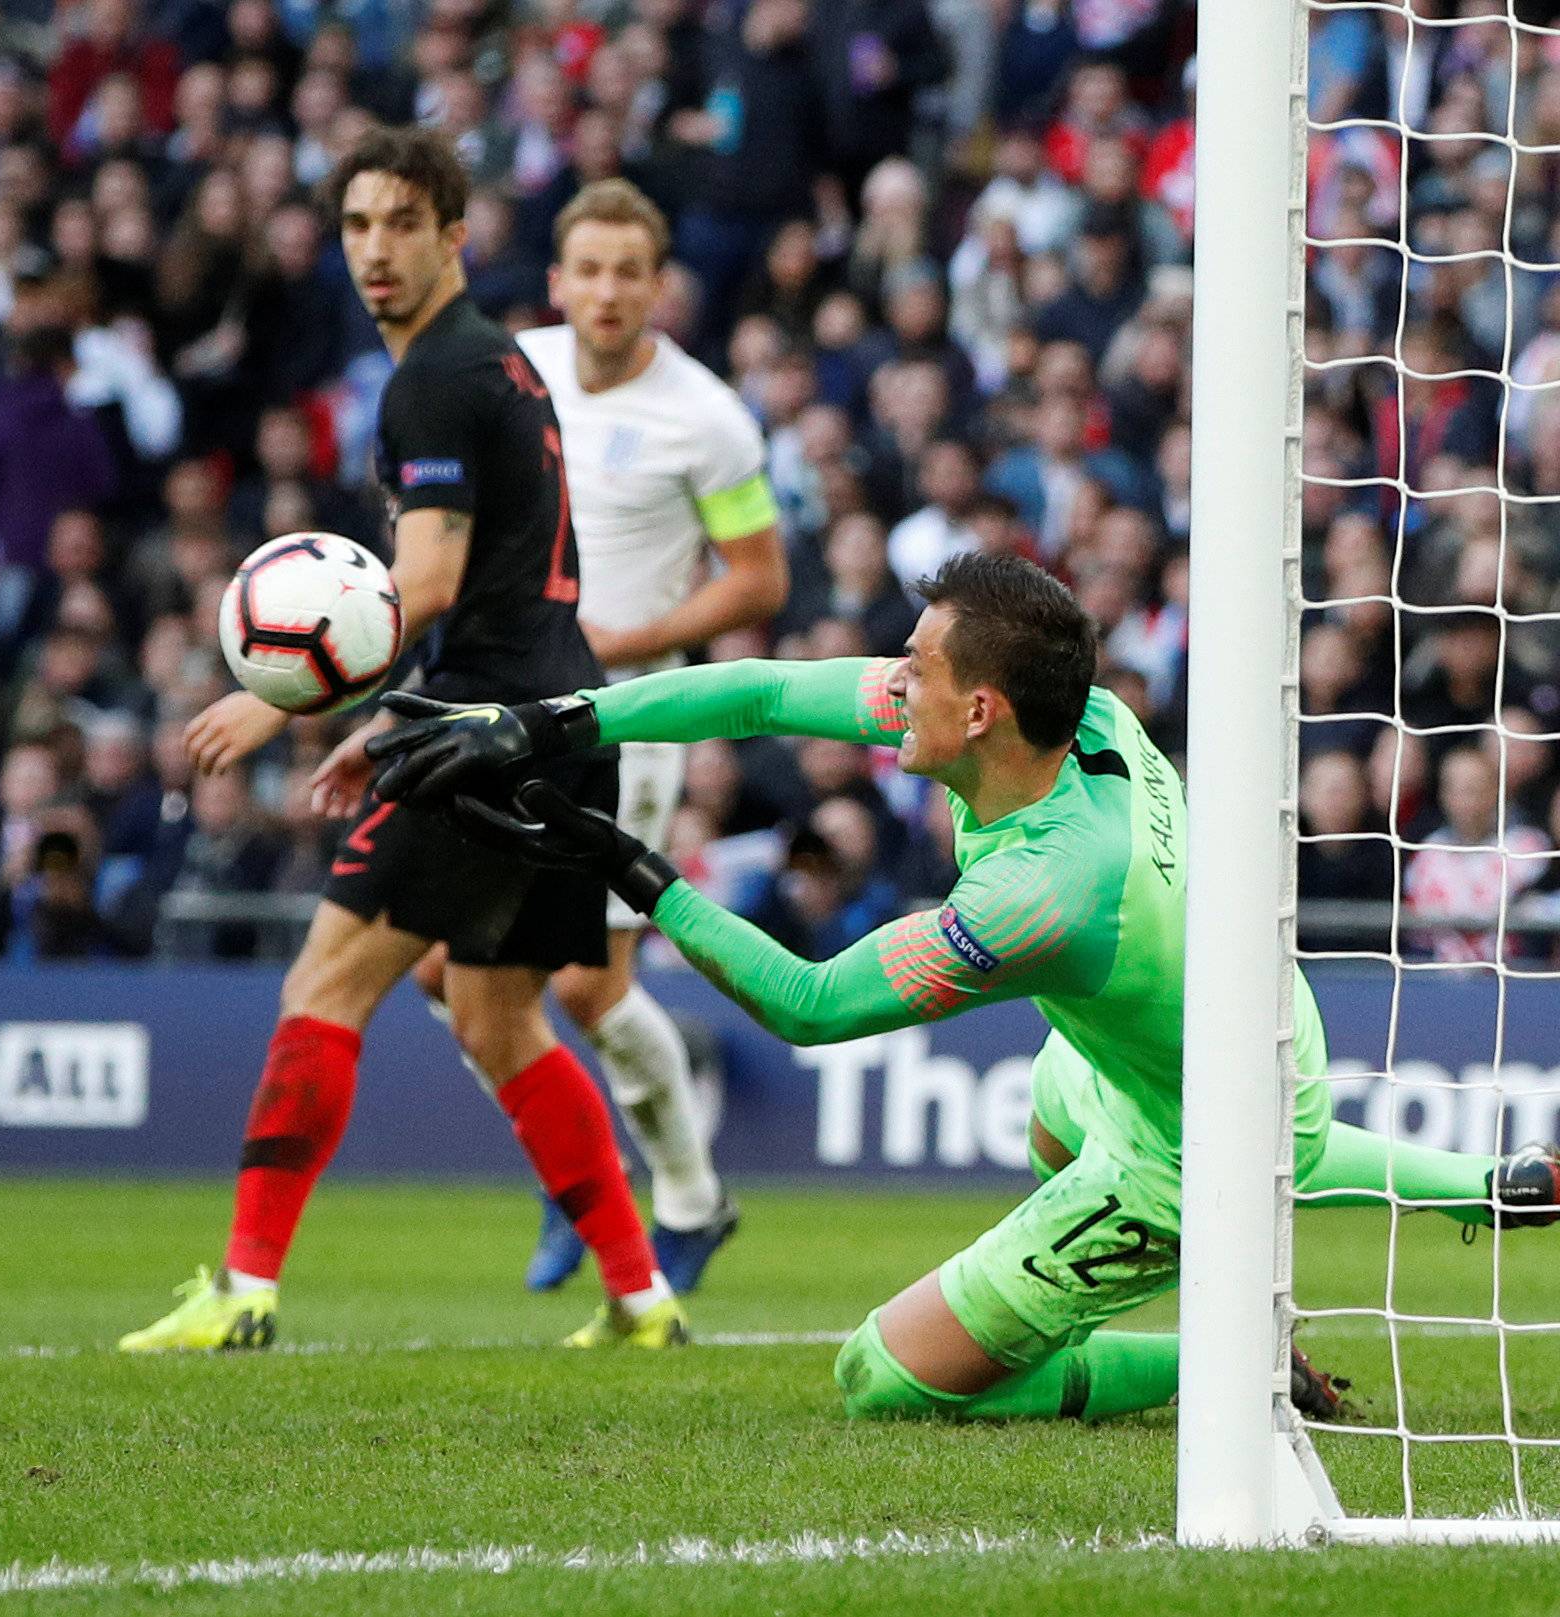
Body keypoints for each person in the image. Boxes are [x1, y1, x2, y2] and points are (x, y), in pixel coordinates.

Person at [367, 552, 1560, 1424]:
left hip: (1190, 1132)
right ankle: (1477, 1187)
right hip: (1215, 1025)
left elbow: (814, 1005)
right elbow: (763, 693)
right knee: (1073, 1100)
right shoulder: (1068, 712)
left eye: (917, 666)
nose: (893, 682)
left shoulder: (1040, 896)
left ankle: (1230, 1356)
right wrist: (541, 726)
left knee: (875, 1379)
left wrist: (632, 871)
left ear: (979, 708)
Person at [121, 128, 683, 1355]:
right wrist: (388, 721)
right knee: (497, 1020)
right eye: (357, 225)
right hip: (555, 721)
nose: (376, 250)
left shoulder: (437, 377)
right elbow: (494, 590)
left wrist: (283, 696)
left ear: (452, 235)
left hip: (485, 735)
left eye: (401, 224)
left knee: (322, 987)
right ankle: (642, 1298)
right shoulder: (497, 368)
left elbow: (423, 582)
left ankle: (245, 1290)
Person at [416, 177, 787, 1295]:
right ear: (559, 281)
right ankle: (575, 1163)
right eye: (591, 269)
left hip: (629, 719)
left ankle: (688, 1199)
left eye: (631, 271)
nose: (610, 290)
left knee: (581, 985)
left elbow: (759, 580)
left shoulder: (706, 418)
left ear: (658, 285)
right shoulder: (510, 374)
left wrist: (637, 633)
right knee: (443, 973)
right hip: (507, 711)